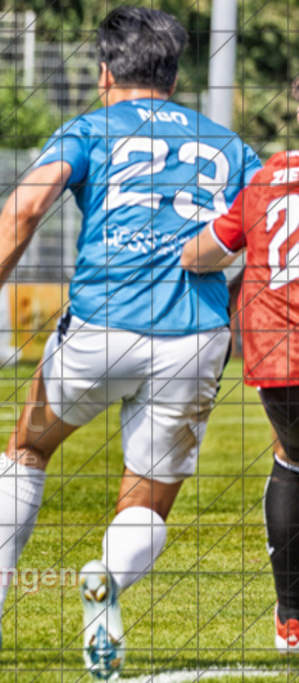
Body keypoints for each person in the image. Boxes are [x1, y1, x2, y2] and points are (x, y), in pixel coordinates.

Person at [0, 6, 262, 678]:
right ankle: (105, 579)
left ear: (105, 70)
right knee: (146, 499)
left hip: (100, 327)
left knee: (27, 447)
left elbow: (26, 205)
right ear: (173, 75)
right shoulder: (228, 146)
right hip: (194, 335)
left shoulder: (90, 128)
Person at [181, 74, 299, 654]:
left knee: (293, 461)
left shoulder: (268, 176)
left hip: (276, 353)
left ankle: (292, 619)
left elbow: (204, 251)